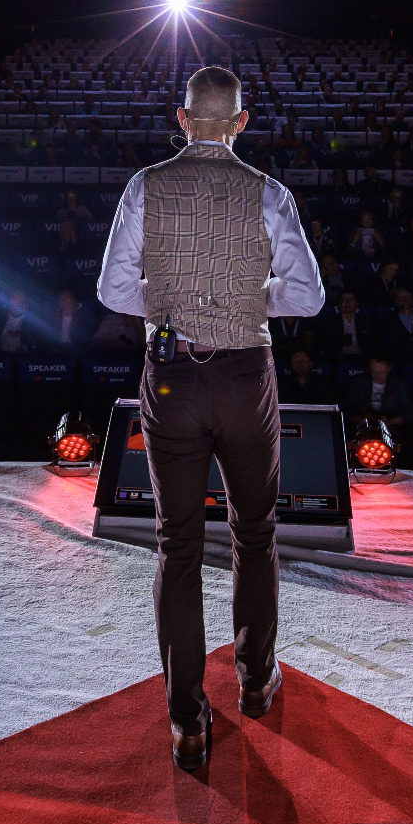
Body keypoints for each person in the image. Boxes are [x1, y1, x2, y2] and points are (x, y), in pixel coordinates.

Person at [94, 64, 324, 769]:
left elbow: (110, 288)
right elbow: (308, 297)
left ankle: (188, 720)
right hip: (246, 374)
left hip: (171, 379)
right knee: (255, 531)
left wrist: (171, 302)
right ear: (243, 123)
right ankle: (256, 684)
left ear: (184, 118)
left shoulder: (144, 186)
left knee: (177, 544)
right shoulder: (270, 194)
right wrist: (249, 300)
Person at [344, 354, 413, 429]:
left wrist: (389, 421)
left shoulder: (398, 384)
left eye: (382, 373)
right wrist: (361, 419)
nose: (378, 376)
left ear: (389, 369)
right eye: (374, 372)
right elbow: (346, 410)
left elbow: (410, 414)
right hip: (362, 429)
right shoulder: (357, 382)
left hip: (392, 430)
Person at [321, 290, 373, 363]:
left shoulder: (365, 321)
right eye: (344, 300)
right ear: (339, 304)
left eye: (351, 300)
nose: (347, 302)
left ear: (356, 304)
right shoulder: (330, 321)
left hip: (362, 358)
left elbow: (370, 344)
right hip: (337, 358)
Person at [379, 288, 413, 361]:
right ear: (396, 302)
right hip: (396, 360)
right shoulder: (388, 319)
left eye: (408, 297)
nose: (405, 299)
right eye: (401, 297)